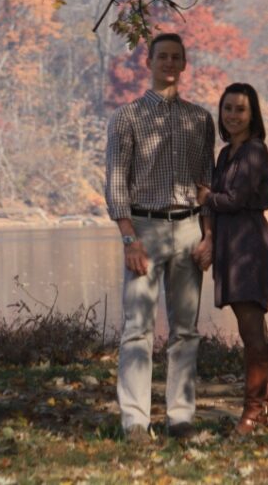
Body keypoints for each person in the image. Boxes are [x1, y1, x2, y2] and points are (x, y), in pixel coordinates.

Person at [105, 32, 215, 443]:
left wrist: (209, 236)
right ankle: (135, 422)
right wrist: (129, 239)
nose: (169, 63)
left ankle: (180, 419)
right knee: (138, 328)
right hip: (145, 229)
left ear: (184, 65)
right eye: (162, 57)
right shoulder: (127, 118)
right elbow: (116, 183)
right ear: (148, 63)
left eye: (176, 57)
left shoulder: (200, 119)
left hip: (189, 230)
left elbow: (206, 183)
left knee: (186, 330)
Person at [195, 83, 268, 435]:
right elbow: (221, 200)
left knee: (251, 331)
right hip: (231, 243)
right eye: (228, 108)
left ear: (252, 114)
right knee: (251, 331)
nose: (232, 115)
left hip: (249, 246)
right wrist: (210, 234)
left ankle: (253, 411)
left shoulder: (254, 151)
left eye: (240, 109)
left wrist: (206, 197)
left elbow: (234, 199)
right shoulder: (227, 153)